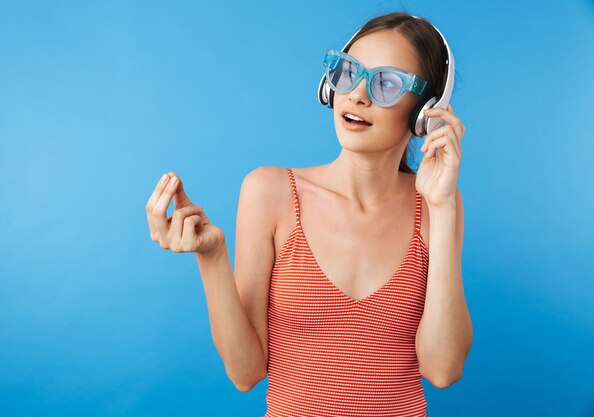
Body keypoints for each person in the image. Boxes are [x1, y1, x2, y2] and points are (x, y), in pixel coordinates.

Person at [146, 11, 472, 417]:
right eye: (348, 72)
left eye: (386, 83)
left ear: (425, 112)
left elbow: (443, 370)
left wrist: (441, 208)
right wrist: (211, 257)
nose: (357, 94)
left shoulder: (439, 205)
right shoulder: (270, 192)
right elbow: (246, 373)